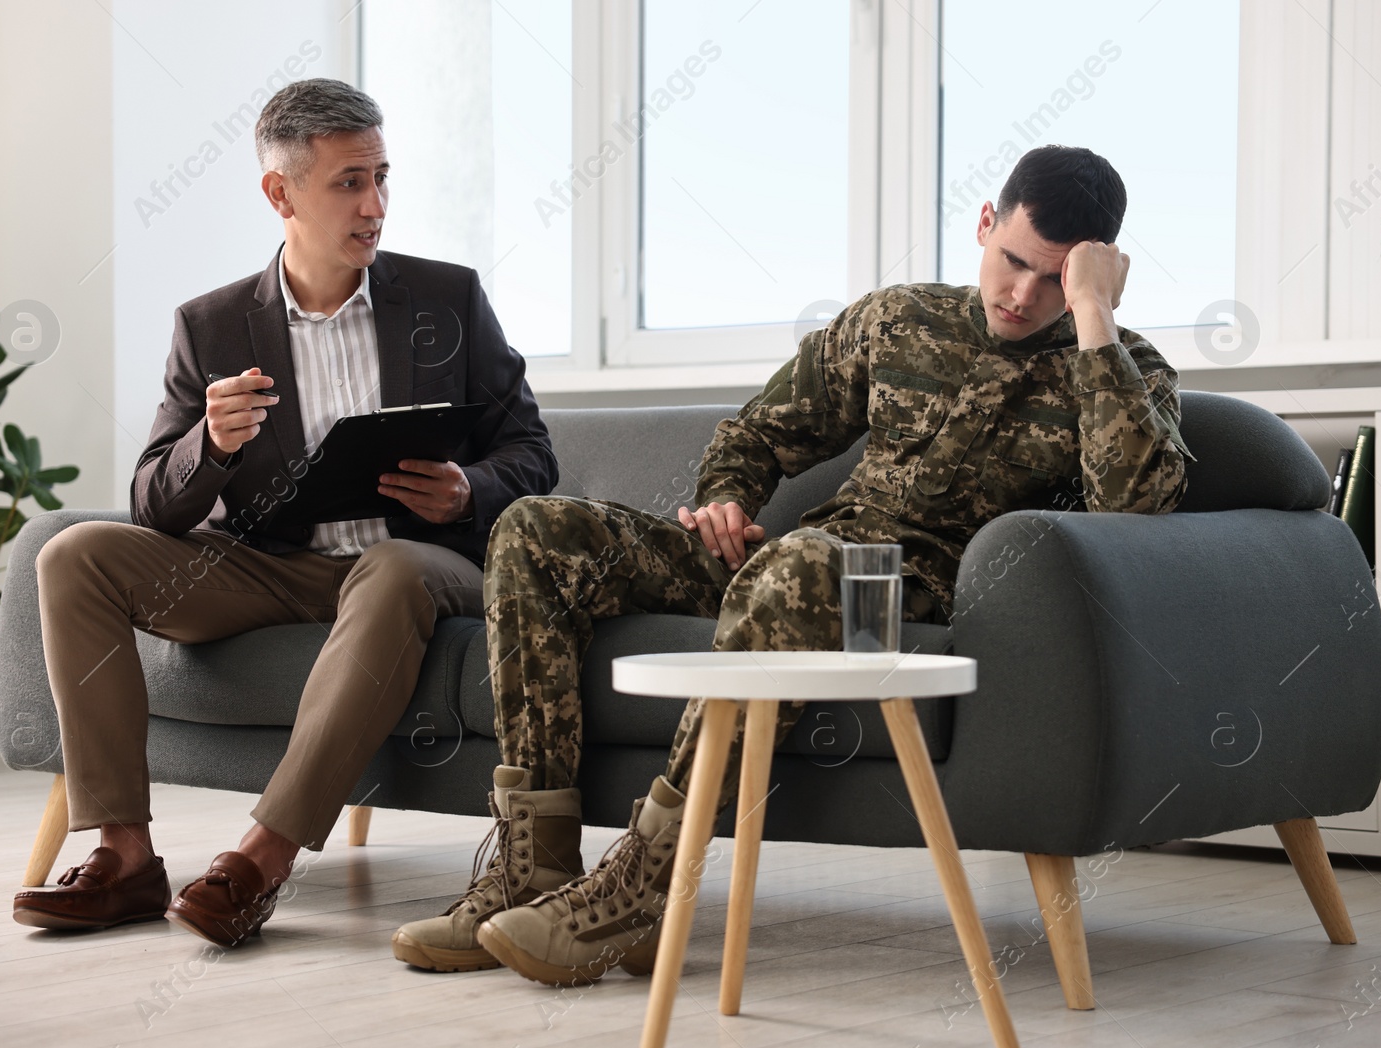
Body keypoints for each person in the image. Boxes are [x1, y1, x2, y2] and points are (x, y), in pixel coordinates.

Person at [392, 144, 1194, 982]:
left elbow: (1134, 510)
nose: (1023, 296)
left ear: (1095, 274)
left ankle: (640, 889)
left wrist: (1093, 318)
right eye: (1015, 262)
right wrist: (727, 498)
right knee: (532, 529)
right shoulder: (899, 317)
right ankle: (531, 871)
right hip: (791, 569)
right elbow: (758, 432)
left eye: (1055, 280)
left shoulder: (1126, 371)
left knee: (805, 562)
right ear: (985, 224)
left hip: (901, 597)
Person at [12, 78, 557, 948]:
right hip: (271, 564)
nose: (375, 205)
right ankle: (125, 853)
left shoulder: (447, 301)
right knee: (71, 555)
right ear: (280, 193)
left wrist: (467, 486)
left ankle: (260, 857)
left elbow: (532, 453)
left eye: (382, 177)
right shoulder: (214, 325)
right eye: (350, 182)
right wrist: (211, 445)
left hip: (415, 561)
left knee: (388, 571)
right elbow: (154, 499)